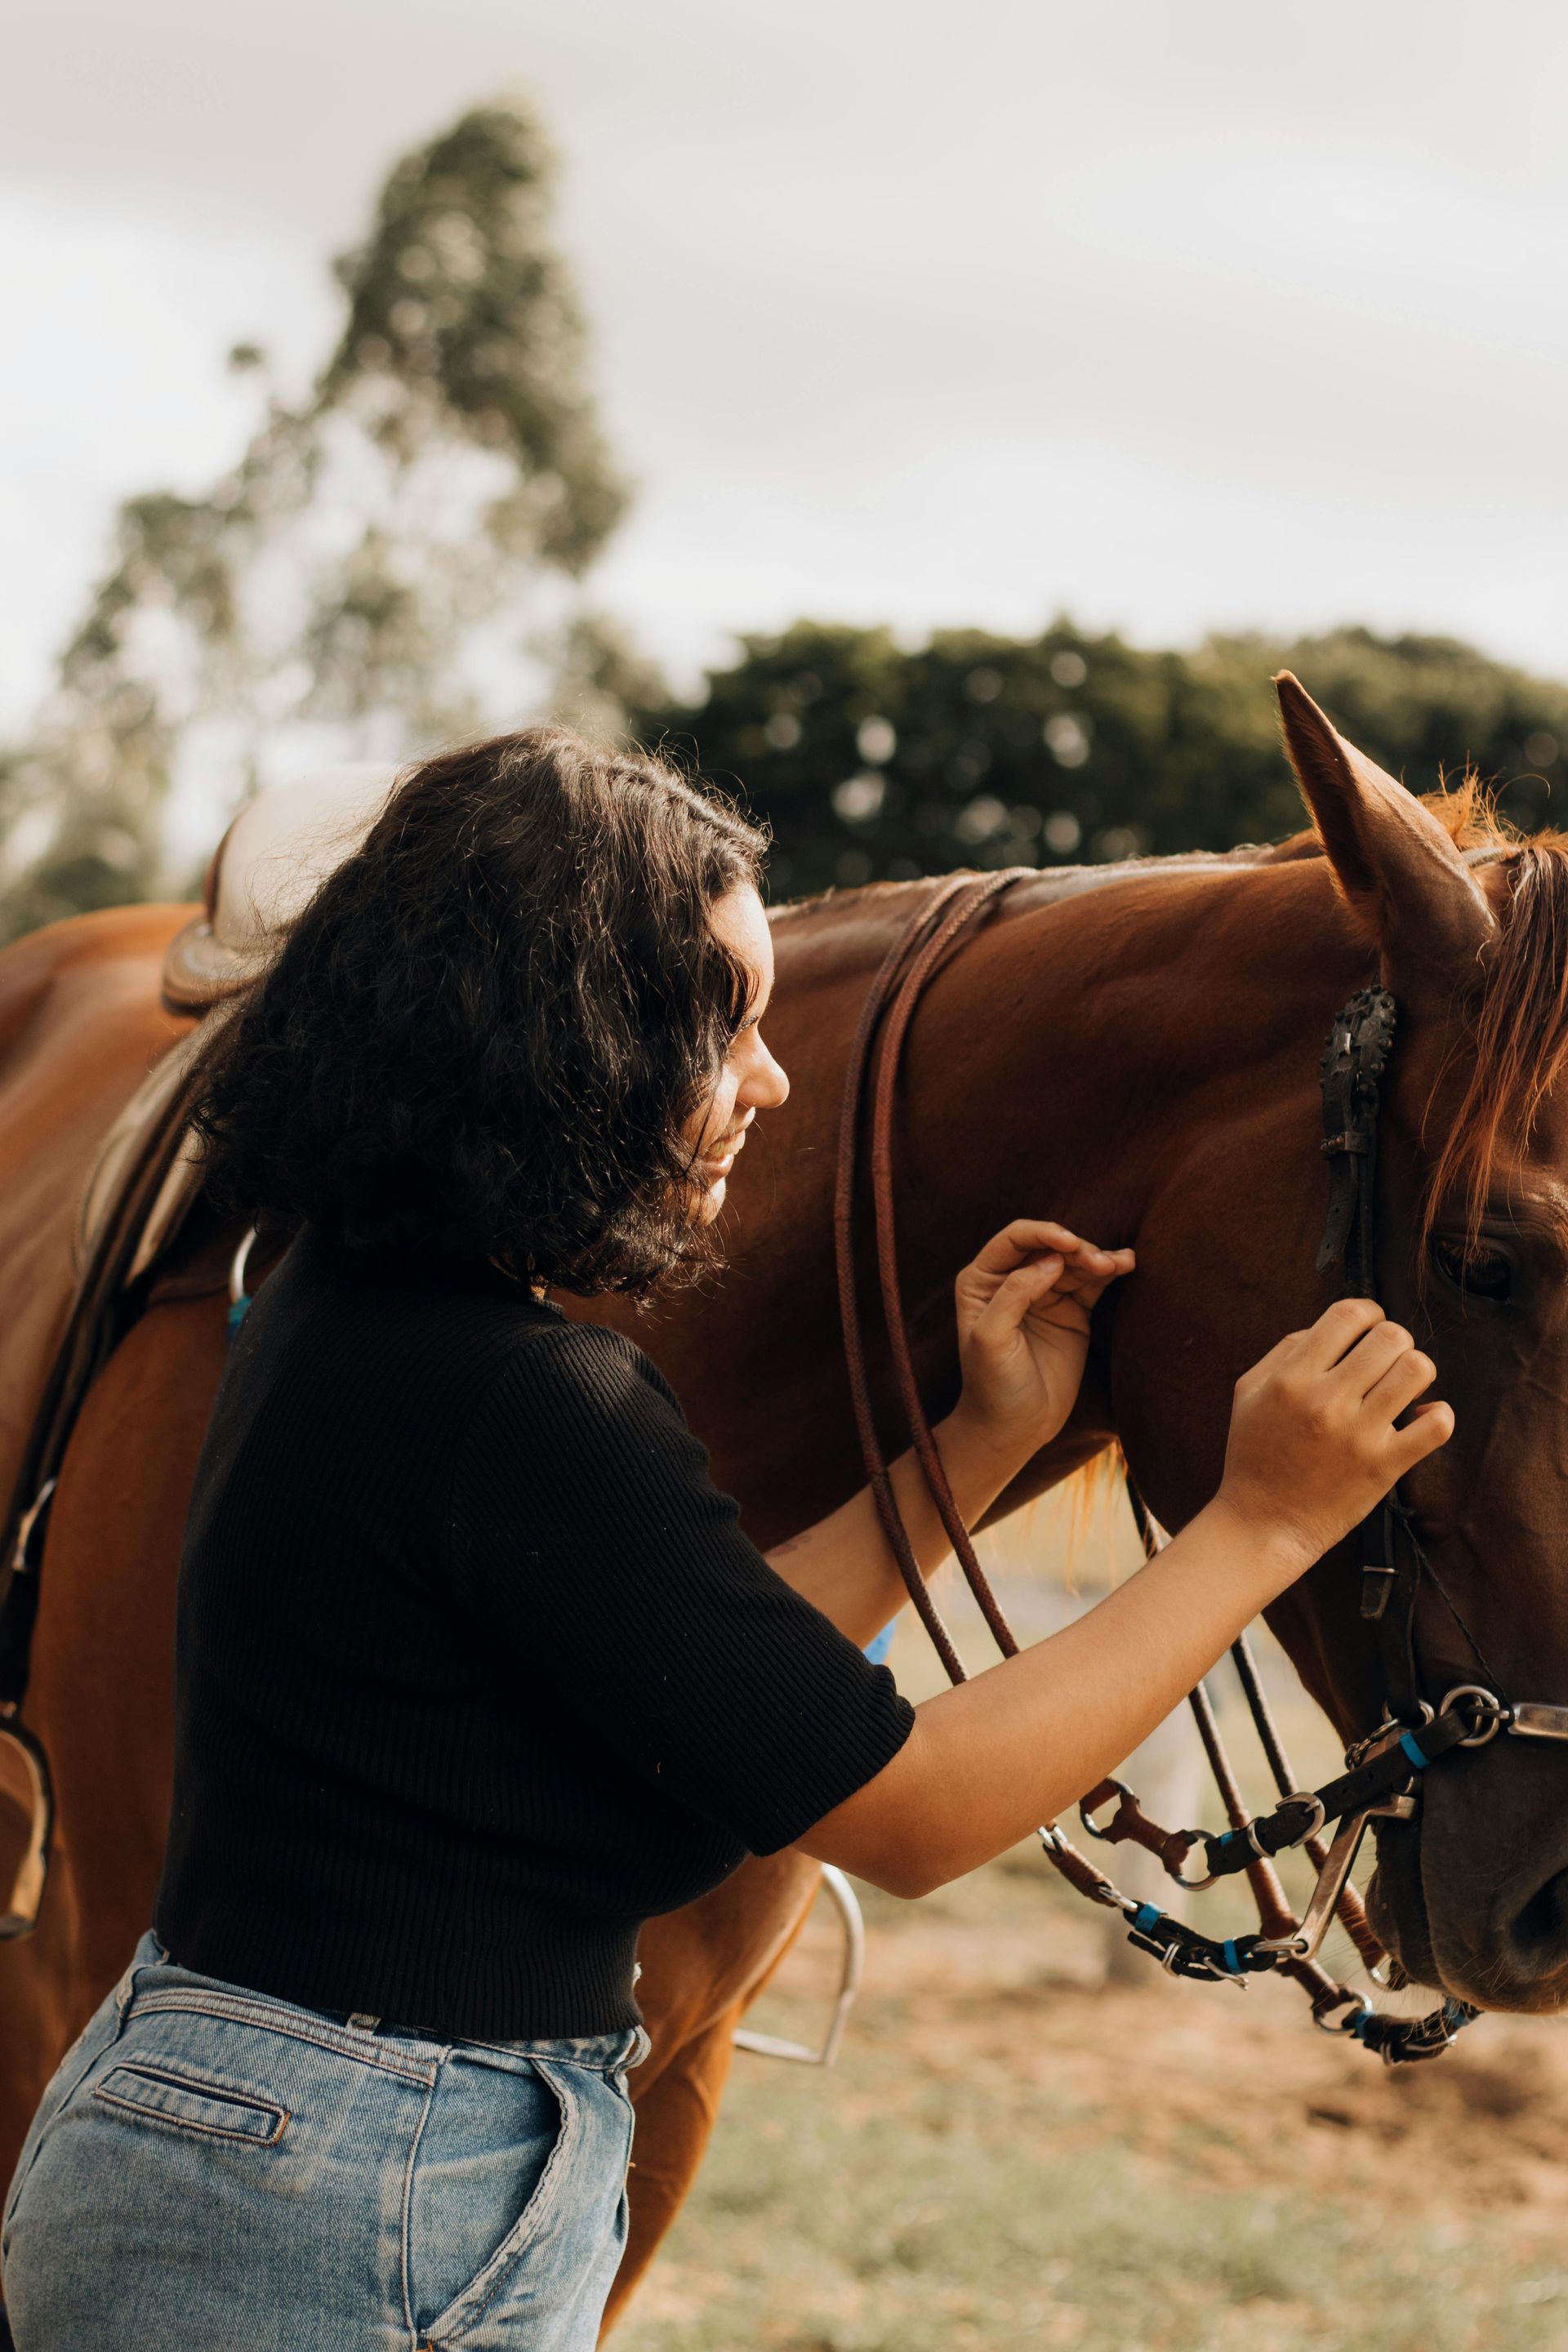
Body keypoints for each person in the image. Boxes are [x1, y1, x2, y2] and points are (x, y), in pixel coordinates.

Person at [0, 729, 1452, 2351]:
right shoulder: (534, 1401)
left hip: (235, 2134)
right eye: (727, 1027)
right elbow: (905, 1815)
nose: (768, 1079)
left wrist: (968, 1453)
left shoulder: (339, 1306)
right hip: (350, 2204)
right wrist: (1263, 1523)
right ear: (571, 1046)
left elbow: (710, 1669)